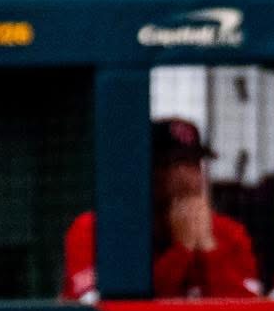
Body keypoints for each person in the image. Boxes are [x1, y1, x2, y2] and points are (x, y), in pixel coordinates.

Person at [63, 117, 263, 300]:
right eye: (174, 163)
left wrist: (209, 250)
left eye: (193, 163)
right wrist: (181, 252)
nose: (188, 176)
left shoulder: (229, 233)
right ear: (146, 169)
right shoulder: (95, 229)